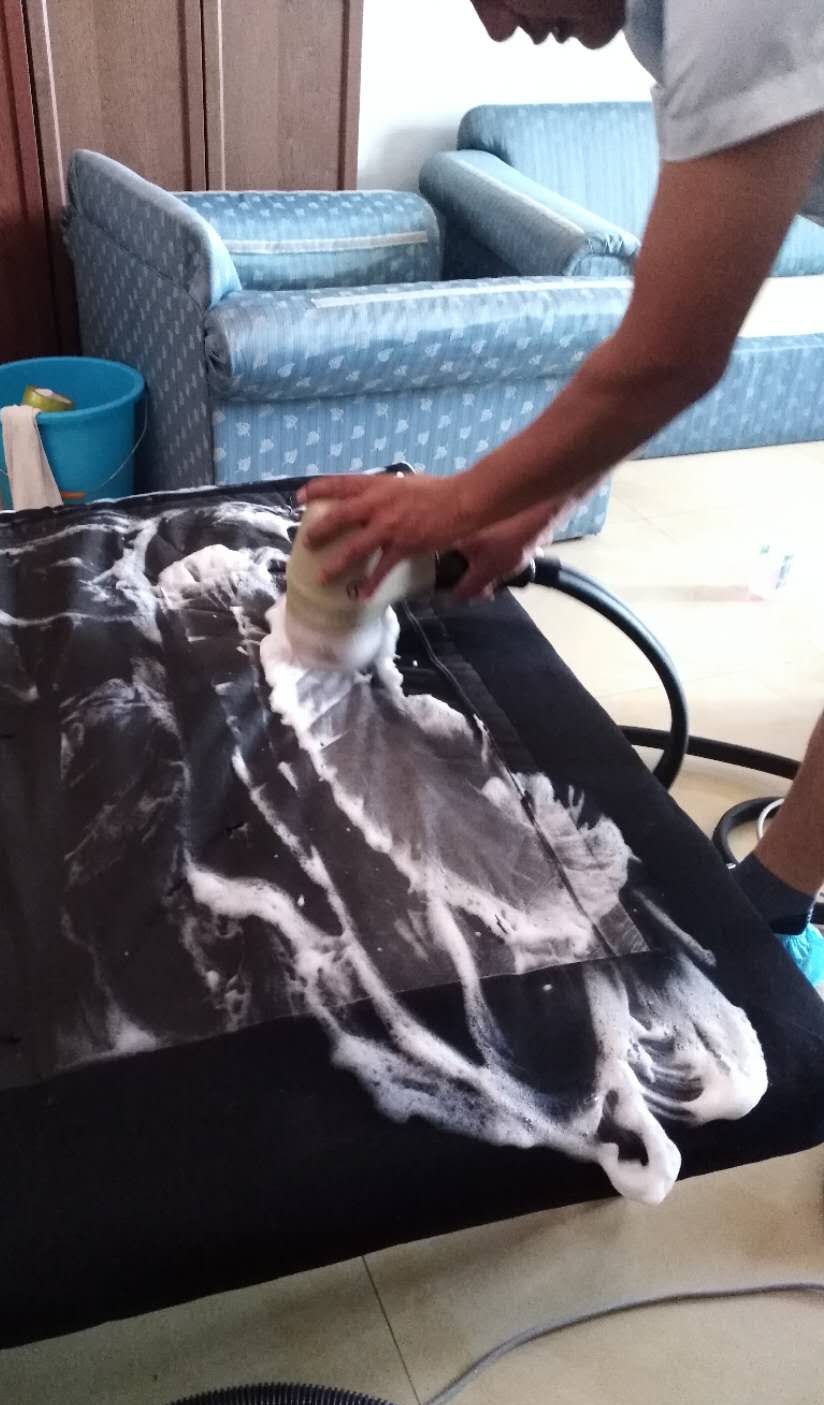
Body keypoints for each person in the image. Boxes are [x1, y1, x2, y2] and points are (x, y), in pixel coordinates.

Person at [299, 0, 824, 981]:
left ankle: (779, 918)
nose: (499, 27)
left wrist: (458, 502)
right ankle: (781, 898)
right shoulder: (668, 22)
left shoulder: (736, 10)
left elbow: (673, 351)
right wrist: (536, 503)